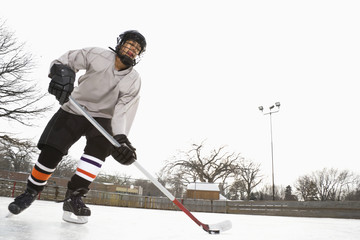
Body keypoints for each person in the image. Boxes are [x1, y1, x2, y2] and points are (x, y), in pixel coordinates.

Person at [8, 30, 146, 223]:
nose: (132, 50)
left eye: (137, 49)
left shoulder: (133, 80)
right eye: (130, 44)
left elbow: (122, 111)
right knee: (51, 151)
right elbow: (66, 61)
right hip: (74, 107)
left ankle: (74, 197)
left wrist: (120, 138)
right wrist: (61, 74)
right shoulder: (96, 54)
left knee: (96, 155)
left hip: (103, 118)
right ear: (120, 44)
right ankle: (30, 192)